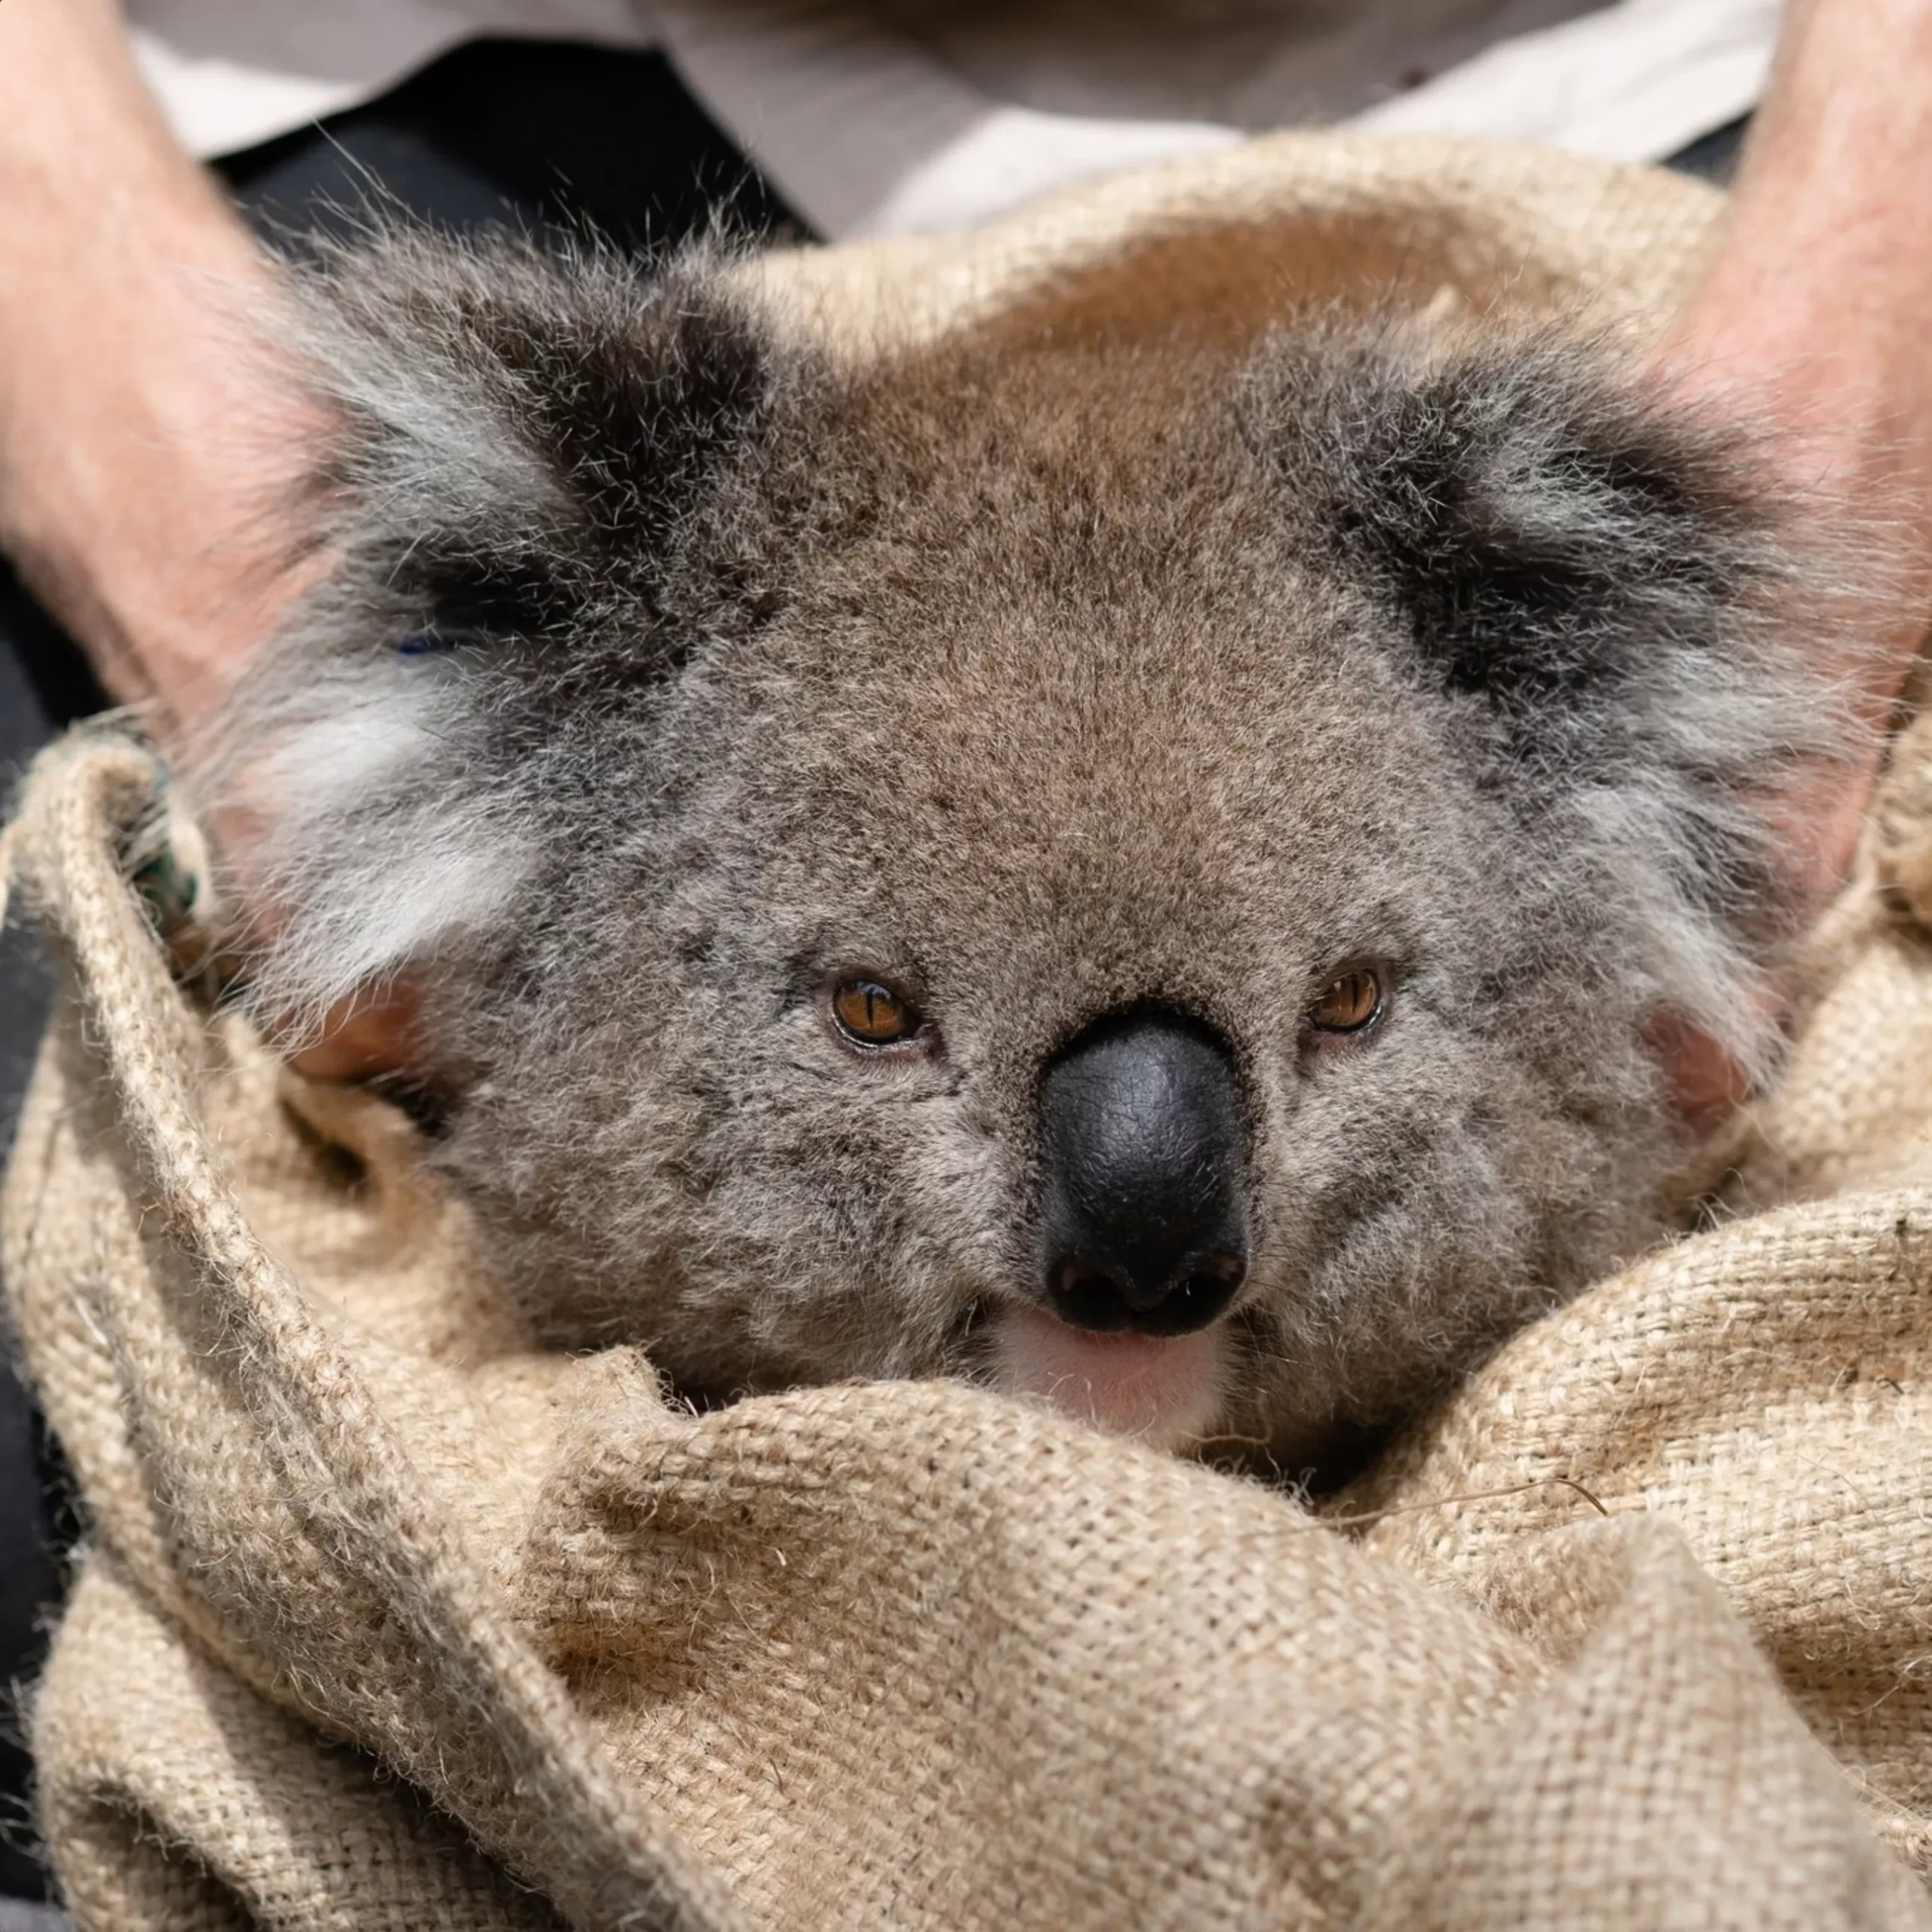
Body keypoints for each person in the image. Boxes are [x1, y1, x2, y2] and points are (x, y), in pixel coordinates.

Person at [0, 0, 1927, 1909]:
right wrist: (126, 424)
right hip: (366, 109)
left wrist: (1857, 350)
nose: (1152, 1222)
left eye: (1341, 1001)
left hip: (1632, 109)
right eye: (873, 1009)